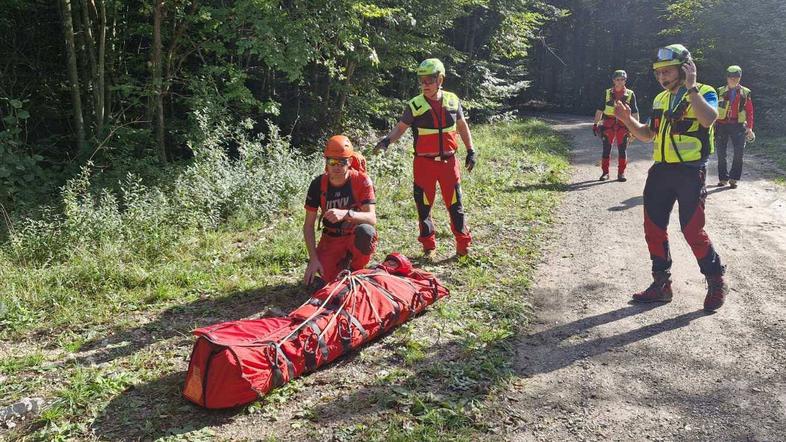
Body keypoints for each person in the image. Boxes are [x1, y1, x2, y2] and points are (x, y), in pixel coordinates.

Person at [614, 44, 729, 312]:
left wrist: (691, 88)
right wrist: (627, 120)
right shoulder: (660, 100)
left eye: (667, 72)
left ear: (685, 68)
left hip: (690, 172)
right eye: (658, 73)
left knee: (692, 230)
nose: (662, 78)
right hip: (661, 171)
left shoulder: (705, 92)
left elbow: (708, 119)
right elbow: (647, 134)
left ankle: (716, 280)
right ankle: (661, 285)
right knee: (653, 228)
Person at [374, 58, 475, 259]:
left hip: (449, 163)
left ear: (440, 79)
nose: (425, 84)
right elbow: (400, 129)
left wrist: (471, 150)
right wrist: (386, 141)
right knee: (424, 206)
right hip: (423, 165)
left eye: (429, 80)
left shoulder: (453, 101)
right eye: (422, 80)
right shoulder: (415, 105)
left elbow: (462, 126)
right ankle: (428, 247)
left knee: (456, 206)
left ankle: (463, 247)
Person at [303, 135, 378, 289]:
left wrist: (346, 214)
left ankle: (357, 269)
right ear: (326, 163)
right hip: (331, 240)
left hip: (354, 235)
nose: (337, 167)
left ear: (350, 162)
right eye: (332, 162)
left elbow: (371, 218)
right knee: (315, 286)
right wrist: (314, 260)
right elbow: (308, 226)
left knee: (366, 231)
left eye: (342, 162)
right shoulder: (318, 184)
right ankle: (339, 264)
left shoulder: (362, 180)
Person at [593, 70, 639, 182]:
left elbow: (635, 112)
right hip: (608, 125)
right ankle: (605, 173)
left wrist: (635, 130)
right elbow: (600, 110)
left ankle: (621, 173)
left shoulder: (630, 94)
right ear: (613, 80)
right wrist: (595, 124)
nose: (620, 82)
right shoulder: (607, 93)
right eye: (617, 79)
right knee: (606, 149)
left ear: (625, 80)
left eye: (622, 80)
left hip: (623, 126)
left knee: (622, 150)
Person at [715, 65, 755, 189]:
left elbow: (749, 111)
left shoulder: (745, 92)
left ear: (740, 77)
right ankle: (723, 178)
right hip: (721, 124)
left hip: (738, 125)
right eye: (731, 76)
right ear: (727, 77)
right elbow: (713, 108)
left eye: (736, 77)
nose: (733, 79)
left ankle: (734, 178)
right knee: (721, 153)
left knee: (739, 153)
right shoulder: (719, 91)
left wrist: (750, 128)